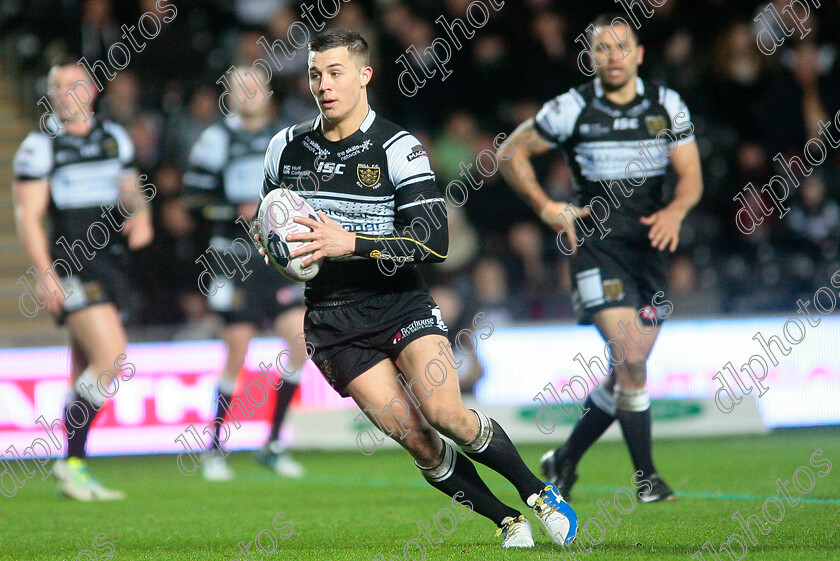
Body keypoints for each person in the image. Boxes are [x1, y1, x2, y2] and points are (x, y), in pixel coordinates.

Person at [254, 29, 577, 548]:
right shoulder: (284, 148)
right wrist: (274, 251)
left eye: (335, 72)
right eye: (315, 74)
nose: (323, 84)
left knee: (446, 413)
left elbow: (434, 242)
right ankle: (505, 520)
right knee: (418, 442)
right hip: (333, 321)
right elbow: (269, 222)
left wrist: (349, 243)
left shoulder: (397, 148)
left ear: (364, 76)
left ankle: (540, 495)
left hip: (399, 302)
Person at [498, 14, 703, 502]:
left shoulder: (666, 104)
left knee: (625, 372)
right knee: (630, 357)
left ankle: (565, 459)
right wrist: (548, 207)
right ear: (590, 58)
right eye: (602, 49)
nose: (613, 56)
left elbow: (692, 176)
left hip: (651, 250)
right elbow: (509, 152)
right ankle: (647, 478)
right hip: (596, 245)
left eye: (621, 47)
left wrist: (676, 210)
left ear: (639, 54)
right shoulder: (573, 107)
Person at [12, 56, 154, 500]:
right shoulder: (41, 147)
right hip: (72, 265)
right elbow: (28, 216)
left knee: (82, 369)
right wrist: (44, 274)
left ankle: (75, 466)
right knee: (112, 359)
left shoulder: (113, 138)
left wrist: (141, 213)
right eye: (57, 87)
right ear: (51, 95)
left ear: (92, 91)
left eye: (74, 84)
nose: (65, 94)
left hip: (112, 263)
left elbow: (130, 188)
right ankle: (69, 462)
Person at [182, 68, 308, 481]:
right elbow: (192, 197)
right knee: (237, 349)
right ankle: (214, 450)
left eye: (255, 87)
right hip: (232, 257)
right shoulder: (217, 138)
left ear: (268, 93)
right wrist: (229, 210)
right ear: (231, 96)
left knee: (301, 342)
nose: (249, 95)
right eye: (241, 88)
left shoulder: (285, 137)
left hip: (276, 257)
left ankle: (272, 444)